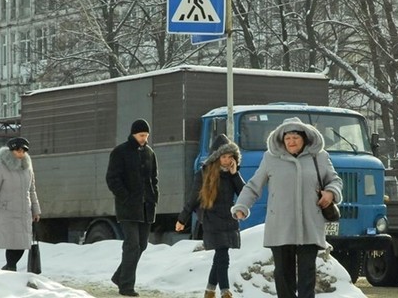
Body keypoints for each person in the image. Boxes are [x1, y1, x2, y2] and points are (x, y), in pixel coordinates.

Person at [231, 117, 343, 298]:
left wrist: (330, 193)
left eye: (295, 138)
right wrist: (242, 206)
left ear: (304, 138)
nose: (291, 142)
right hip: (280, 225)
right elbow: (253, 185)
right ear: (281, 140)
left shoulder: (319, 157)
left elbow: (335, 180)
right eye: (287, 138)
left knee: (307, 275)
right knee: (283, 275)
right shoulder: (270, 158)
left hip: (310, 223)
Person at [175, 134, 244, 298]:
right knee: (223, 256)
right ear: (216, 158)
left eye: (230, 157)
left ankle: (210, 290)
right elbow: (194, 198)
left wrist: (235, 175)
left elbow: (243, 194)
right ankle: (225, 291)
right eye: (223, 157)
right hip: (211, 219)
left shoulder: (232, 175)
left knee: (220, 256)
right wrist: (182, 219)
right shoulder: (203, 174)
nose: (227, 160)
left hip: (228, 219)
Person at [106, 119, 159, 297]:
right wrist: (125, 197)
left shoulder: (150, 153)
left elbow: (154, 178)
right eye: (141, 135)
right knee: (132, 245)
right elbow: (112, 178)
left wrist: (154, 197)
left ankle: (119, 276)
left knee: (142, 245)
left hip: (146, 207)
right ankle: (126, 286)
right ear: (133, 134)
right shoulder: (120, 152)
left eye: (146, 135)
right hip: (127, 207)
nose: (144, 139)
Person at [0, 137, 41, 271]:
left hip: (24, 211)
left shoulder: (27, 169)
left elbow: (32, 191)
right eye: (18, 150)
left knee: (22, 245)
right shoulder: (0, 167)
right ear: (11, 150)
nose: (20, 153)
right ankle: (10, 267)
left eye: (23, 151)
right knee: (12, 243)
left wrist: (36, 210)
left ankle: (9, 267)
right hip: (7, 211)